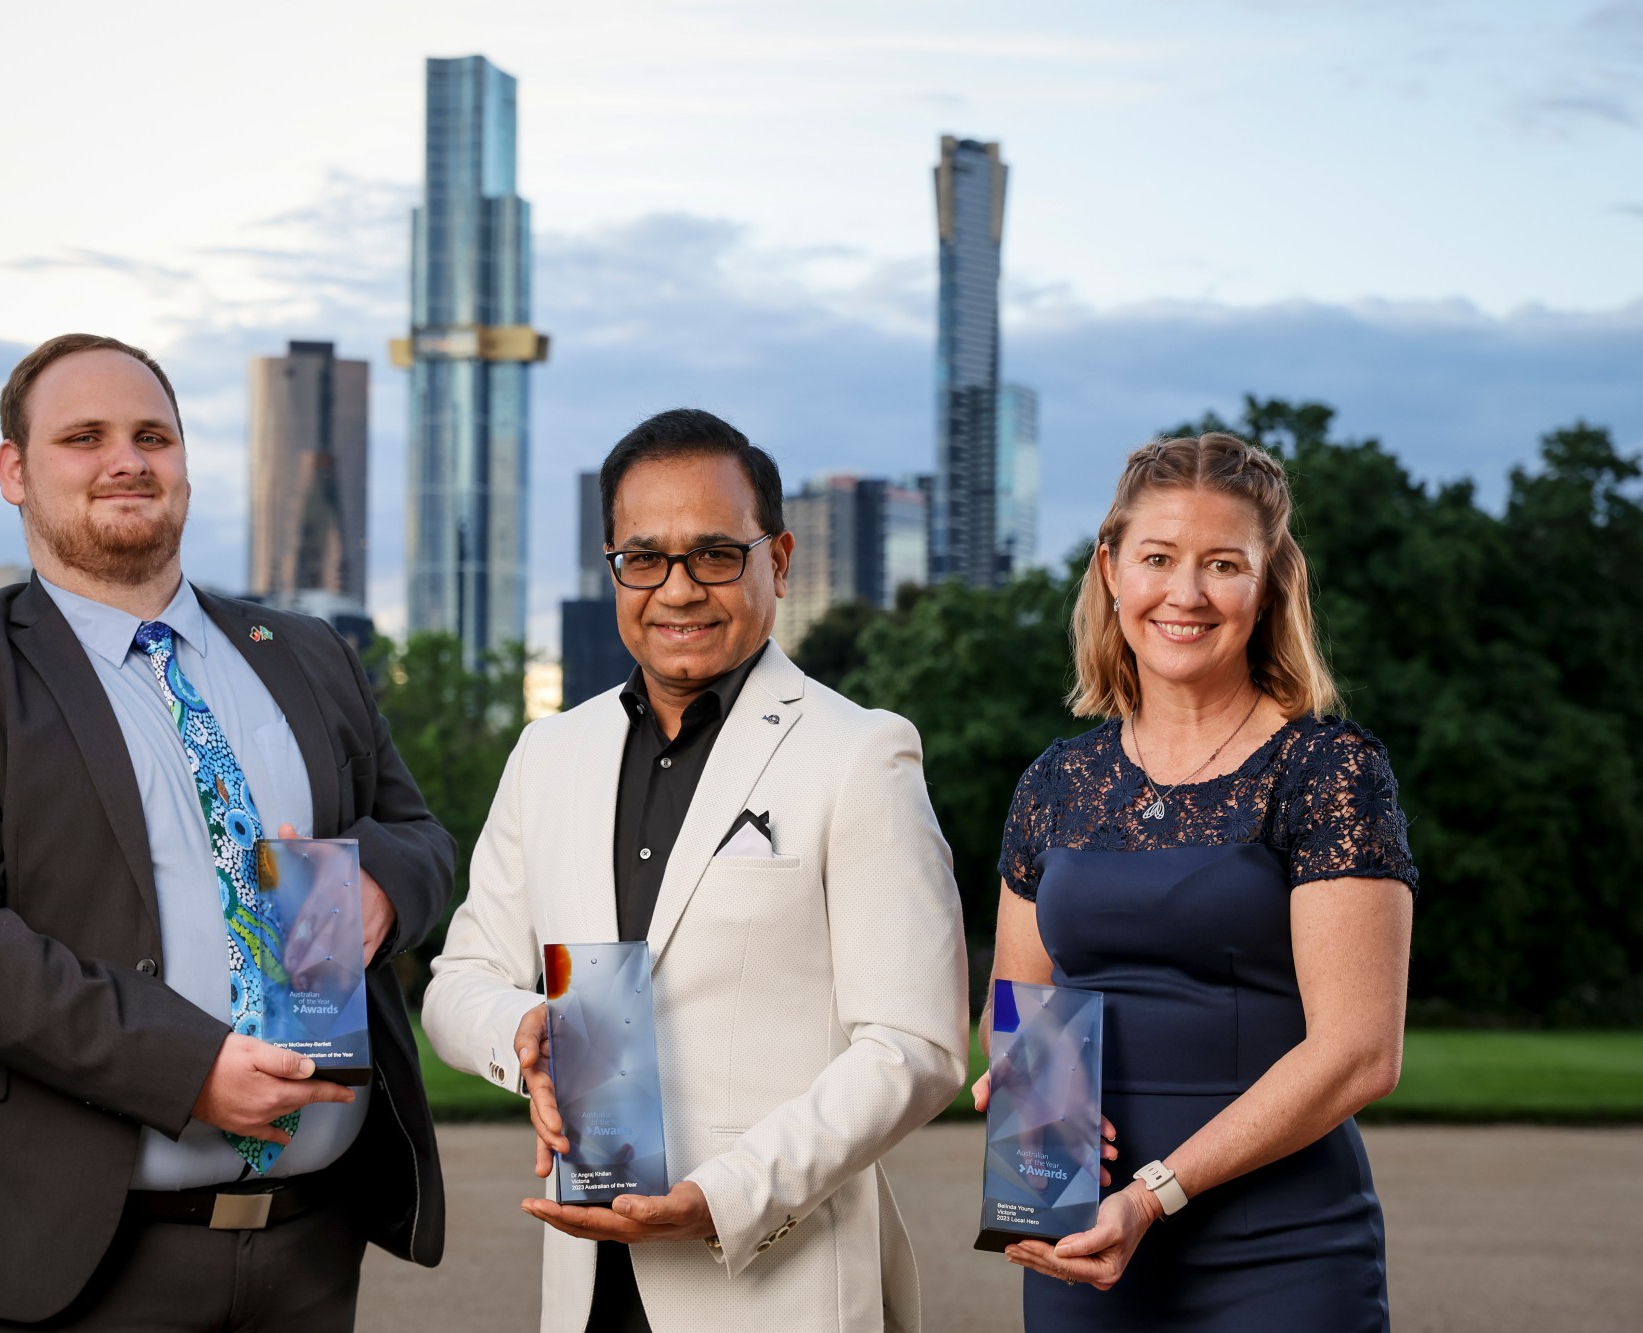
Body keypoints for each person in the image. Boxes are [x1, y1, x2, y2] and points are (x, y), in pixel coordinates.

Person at [0, 333, 453, 1330]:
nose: (127, 460)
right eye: (83, 437)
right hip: (61, 1258)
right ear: (15, 470)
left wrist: (380, 886)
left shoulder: (304, 653)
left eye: (152, 436)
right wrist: (186, 1067)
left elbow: (418, 830)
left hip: (308, 1248)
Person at [421, 409, 968, 1333]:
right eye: (646, 558)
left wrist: (728, 1195)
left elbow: (915, 1045)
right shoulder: (548, 752)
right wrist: (525, 1029)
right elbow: (455, 983)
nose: (678, 588)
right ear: (613, 567)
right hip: (585, 1288)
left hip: (773, 1285)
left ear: (779, 561)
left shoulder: (861, 753)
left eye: (716, 554)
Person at [980, 432, 1416, 1330]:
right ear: (1111, 568)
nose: (1185, 594)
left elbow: (1361, 1053)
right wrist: (1031, 1112)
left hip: (1280, 1251)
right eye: (1157, 558)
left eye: (1223, 564)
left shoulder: (1328, 768)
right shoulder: (1054, 783)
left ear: (1268, 584)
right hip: (1080, 1243)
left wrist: (1150, 1195)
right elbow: (1017, 999)